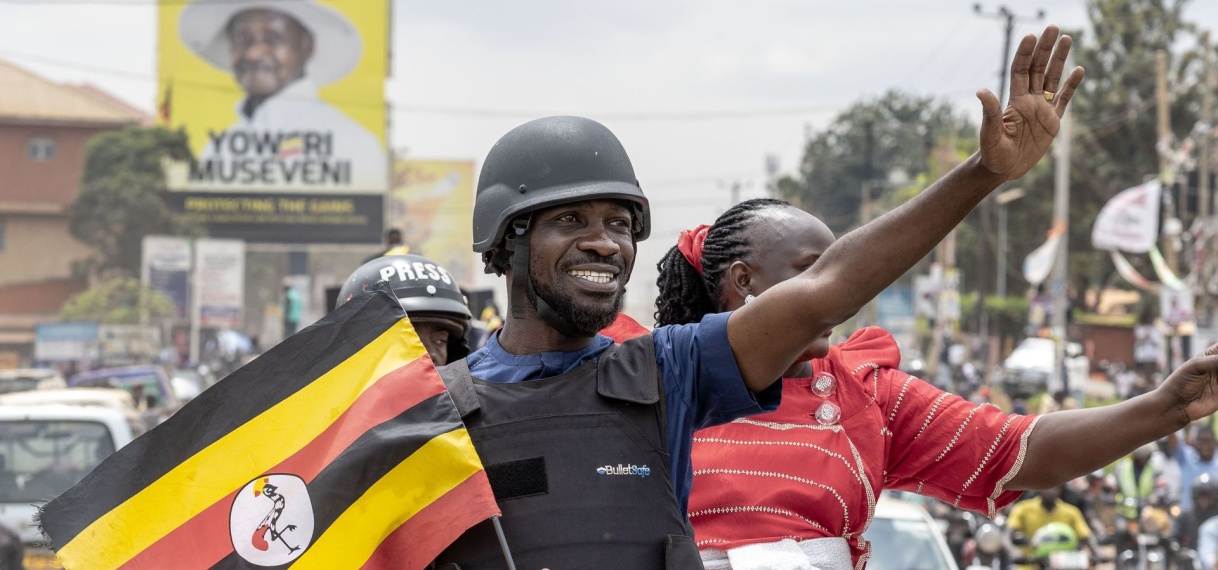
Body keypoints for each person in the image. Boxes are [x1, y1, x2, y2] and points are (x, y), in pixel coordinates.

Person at [432, 23, 1091, 568]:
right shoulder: (430, 411)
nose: (605, 243)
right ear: (505, 238)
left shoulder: (665, 374)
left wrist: (982, 174)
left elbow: (826, 290)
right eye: (572, 221)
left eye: (621, 224)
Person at [180, 0, 387, 190]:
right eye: (243, 39)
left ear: (306, 46)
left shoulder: (353, 143)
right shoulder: (220, 147)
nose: (254, 53)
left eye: (272, 39)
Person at [336, 253, 472, 366]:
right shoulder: (325, 397)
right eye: (409, 341)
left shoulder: (467, 398)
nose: (430, 354)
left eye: (439, 341)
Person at [1005, 487, 1098, 567]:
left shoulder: (1072, 512)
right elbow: (1007, 536)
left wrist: (1097, 551)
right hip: (1030, 564)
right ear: (1038, 489)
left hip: (1063, 565)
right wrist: (1013, 550)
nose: (1050, 491)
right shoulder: (1022, 508)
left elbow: (1086, 536)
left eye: (1055, 487)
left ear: (1060, 489)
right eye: (1047, 487)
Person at [1167, 424, 1218, 512]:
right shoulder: (1186, 456)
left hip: (1214, 519)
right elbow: (1173, 443)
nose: (1205, 445)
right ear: (1195, 442)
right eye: (1201, 441)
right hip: (1188, 517)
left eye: (1208, 441)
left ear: (1214, 442)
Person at [1175, 473, 1218, 551]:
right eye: (1201, 496)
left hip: (1213, 561)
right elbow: (1174, 539)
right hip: (1188, 560)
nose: (1204, 501)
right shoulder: (1185, 516)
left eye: (1208, 497)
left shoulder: (1216, 519)